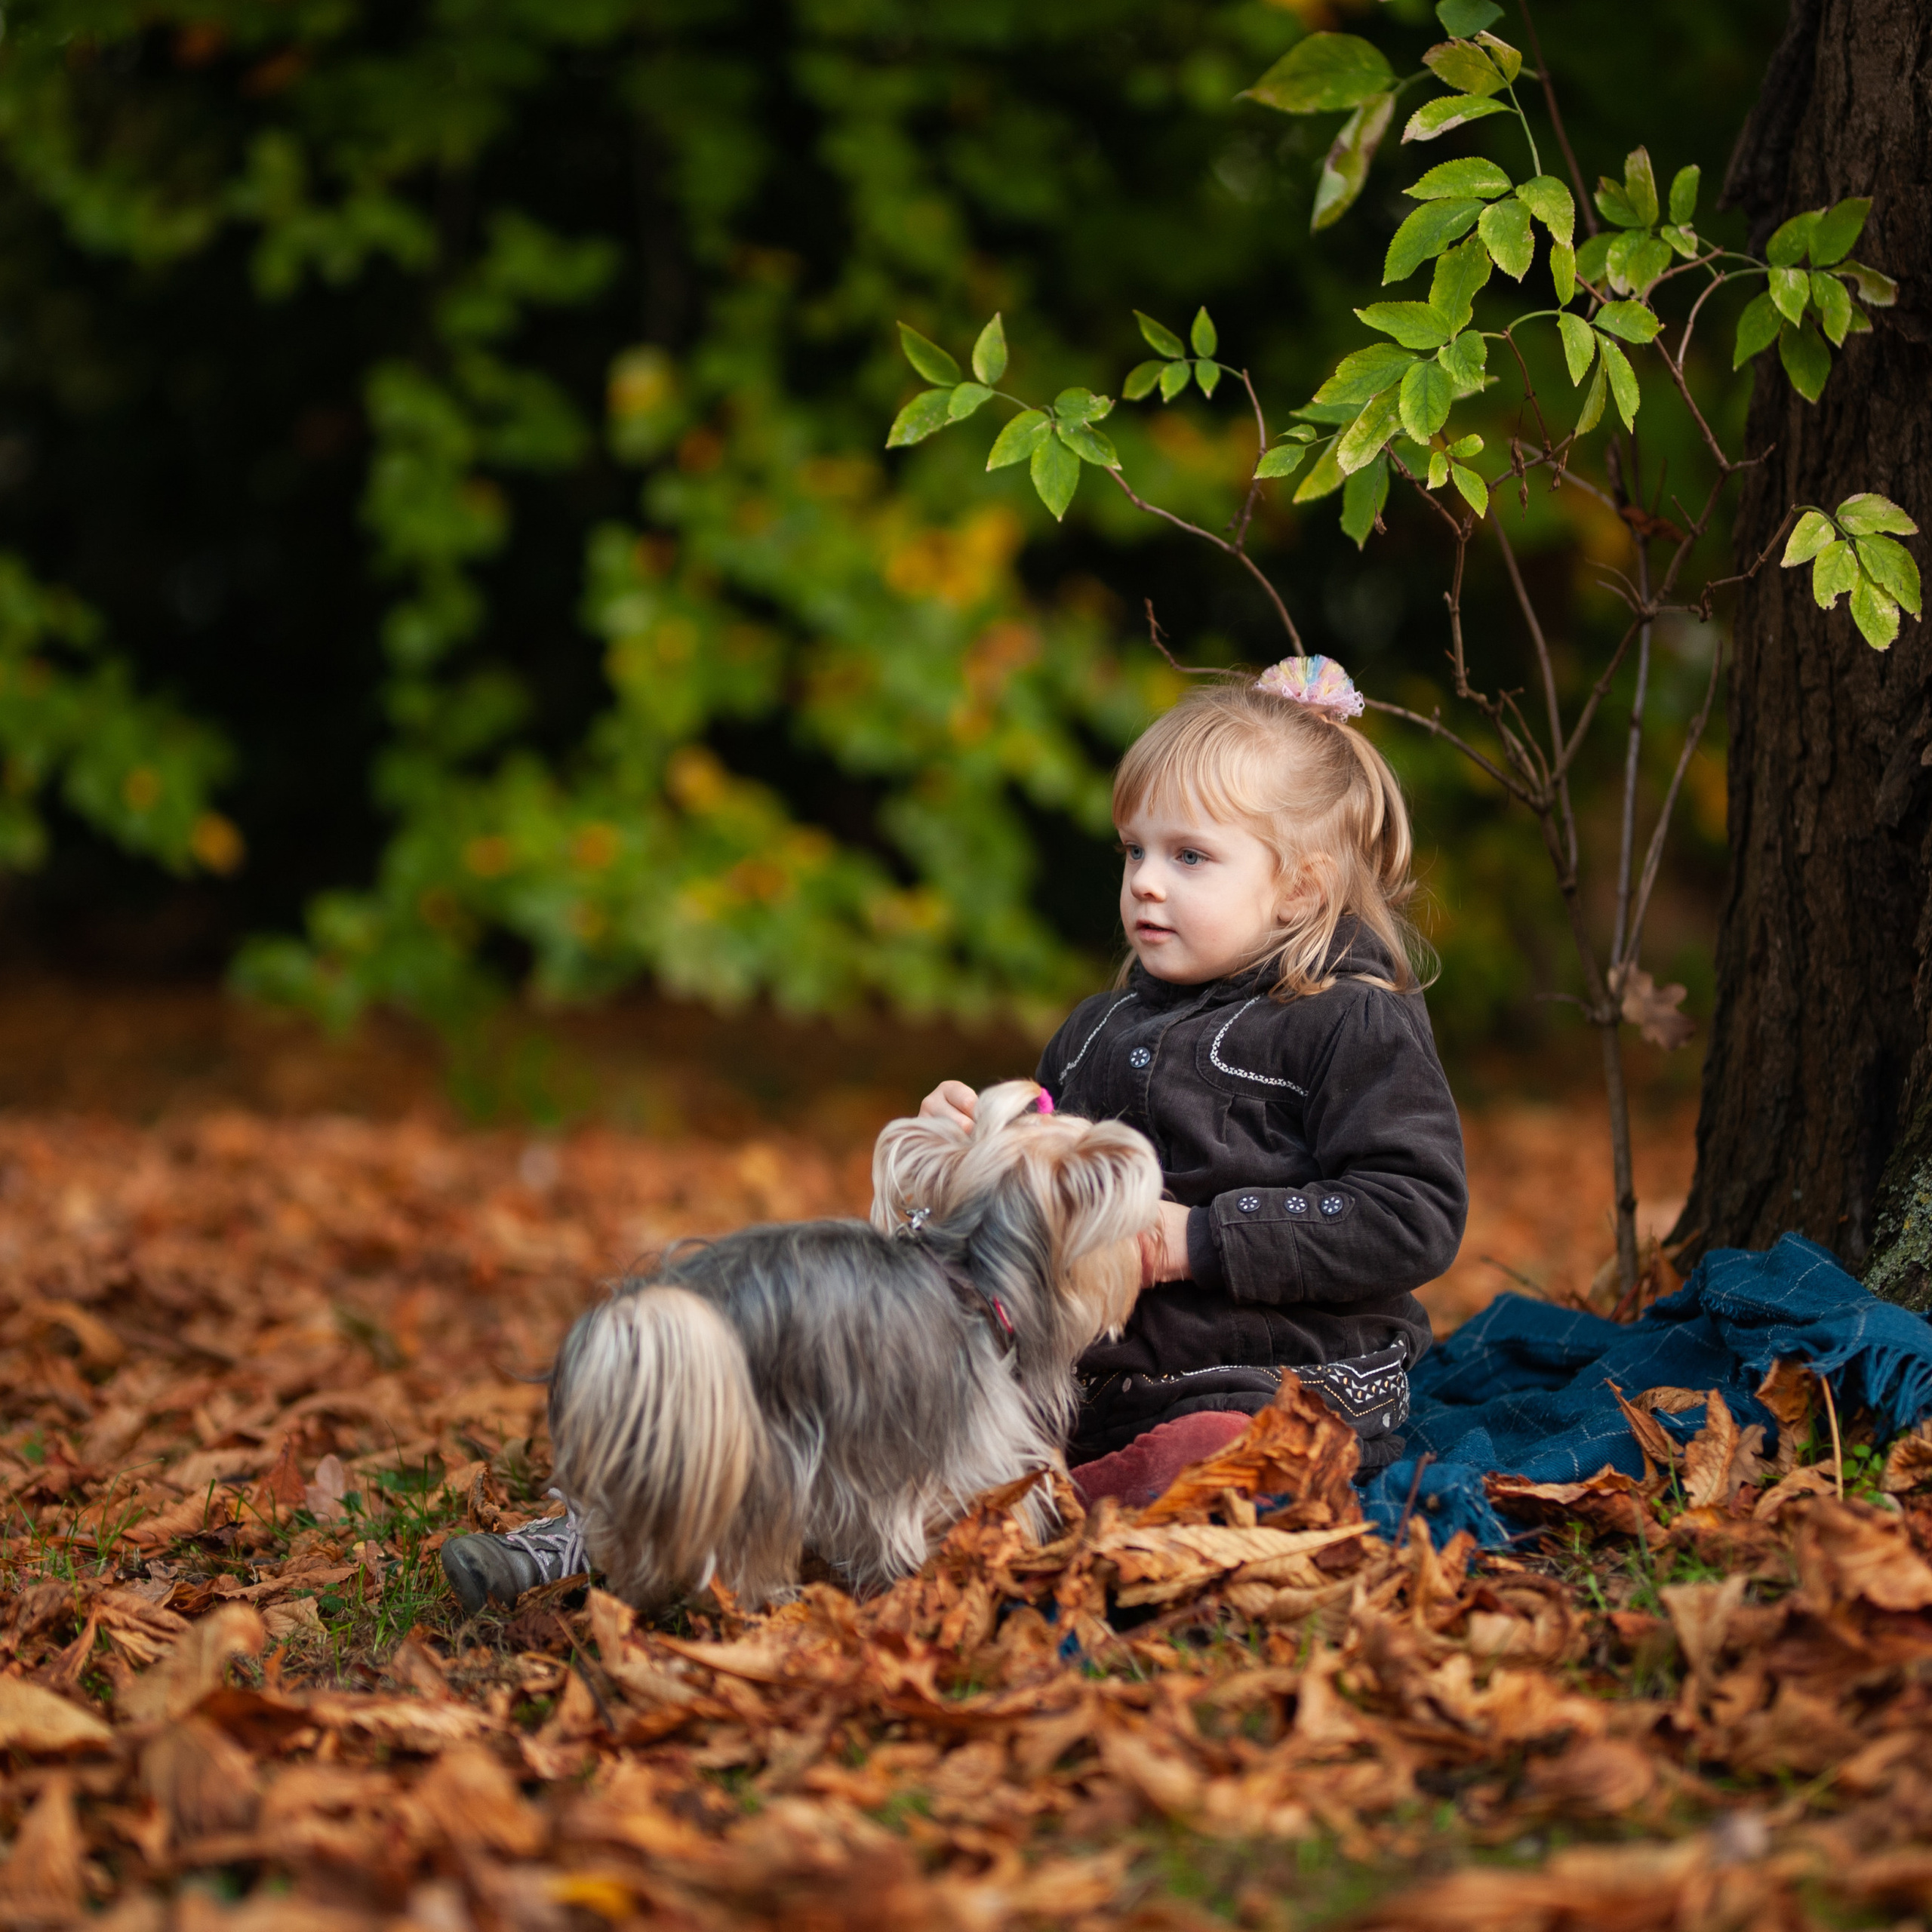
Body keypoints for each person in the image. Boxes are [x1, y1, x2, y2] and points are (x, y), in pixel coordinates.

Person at [920, 657, 1466, 1487]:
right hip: (1096, 1371)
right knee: (920, 1377)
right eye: (1134, 851)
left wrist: (1201, 1239)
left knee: (1234, 1440)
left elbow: (1410, 1213)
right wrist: (976, 1149)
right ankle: (1043, 1483)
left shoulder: (1348, 1020)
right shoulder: (1094, 1030)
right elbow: (1047, 1196)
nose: (1144, 882)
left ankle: (1106, 1490)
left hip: (1279, 1368)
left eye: (1189, 857)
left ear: (1299, 889)